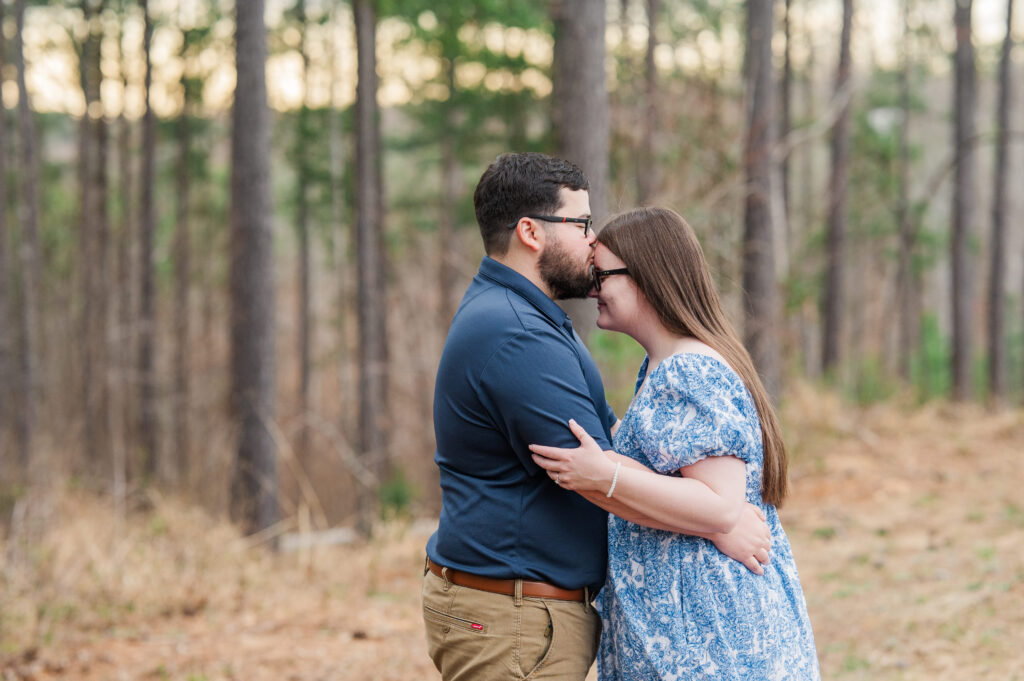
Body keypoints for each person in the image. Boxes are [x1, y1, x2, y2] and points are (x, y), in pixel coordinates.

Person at [423, 155, 772, 681]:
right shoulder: (518, 333)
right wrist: (718, 519)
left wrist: (709, 508)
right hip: (512, 617)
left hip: (520, 610)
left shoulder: (528, 318)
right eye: (581, 223)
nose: (592, 241)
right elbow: (591, 475)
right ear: (530, 232)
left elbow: (609, 451)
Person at [529, 206, 820, 680]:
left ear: (645, 276)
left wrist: (606, 475)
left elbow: (721, 507)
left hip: (709, 638)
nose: (592, 288)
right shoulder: (661, 367)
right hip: (688, 630)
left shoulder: (690, 370)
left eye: (601, 274)